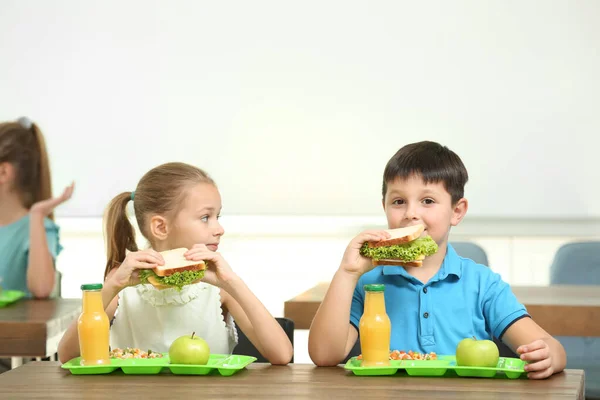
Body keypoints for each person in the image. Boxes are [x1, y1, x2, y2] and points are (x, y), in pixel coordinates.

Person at [308, 141, 566, 379]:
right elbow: (324, 355)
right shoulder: (368, 283)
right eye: (398, 201)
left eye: (427, 201)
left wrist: (548, 356)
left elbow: (553, 348)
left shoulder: (482, 284)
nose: (410, 213)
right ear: (384, 206)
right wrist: (347, 273)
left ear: (457, 211)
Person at [57, 162, 293, 365]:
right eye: (205, 218)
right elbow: (67, 356)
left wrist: (232, 283)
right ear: (160, 227)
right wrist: (111, 287)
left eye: (217, 217)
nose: (219, 229)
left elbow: (281, 355)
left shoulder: (218, 287)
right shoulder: (124, 288)